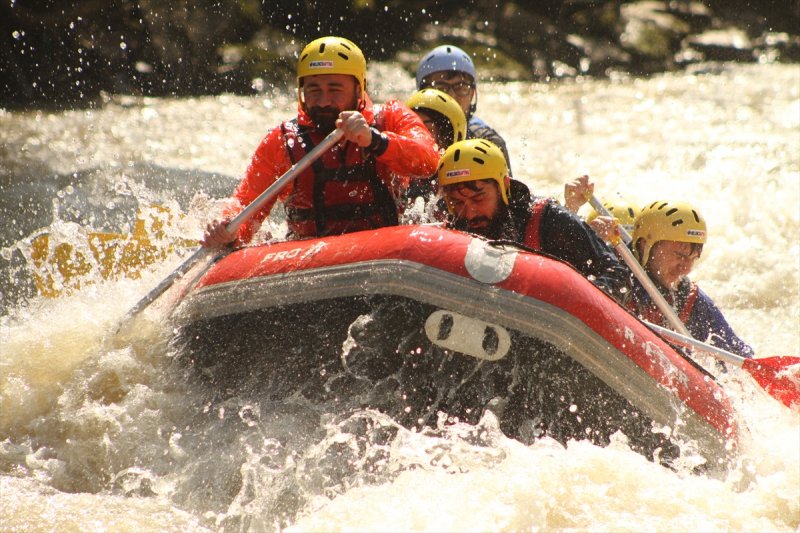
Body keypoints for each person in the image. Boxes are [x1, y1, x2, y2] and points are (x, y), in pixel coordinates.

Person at [202, 36, 439, 246]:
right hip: (311, 258)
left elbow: (428, 161)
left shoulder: (390, 117)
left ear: (359, 89)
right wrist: (227, 226)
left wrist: (374, 140)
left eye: (335, 89)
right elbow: (245, 204)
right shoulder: (282, 142)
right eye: (314, 90)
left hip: (384, 250)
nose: (324, 102)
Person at [436, 139, 631, 300]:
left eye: (479, 198)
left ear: (503, 186)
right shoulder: (451, 228)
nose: (469, 213)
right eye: (457, 202)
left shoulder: (550, 221)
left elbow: (618, 276)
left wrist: (573, 300)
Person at [627, 200, 754, 358]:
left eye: (693, 258)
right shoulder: (613, 269)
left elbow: (738, 354)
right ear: (645, 245)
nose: (686, 269)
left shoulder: (691, 299)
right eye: (679, 256)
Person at [416, 44, 513, 174]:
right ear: (422, 93)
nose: (451, 96)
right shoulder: (408, 134)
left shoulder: (489, 142)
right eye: (441, 88)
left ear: (472, 93)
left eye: (461, 87)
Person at [404, 88, 467, 212]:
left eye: (425, 129)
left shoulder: (464, 180)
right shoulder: (396, 177)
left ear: (446, 137)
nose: (416, 137)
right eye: (412, 127)